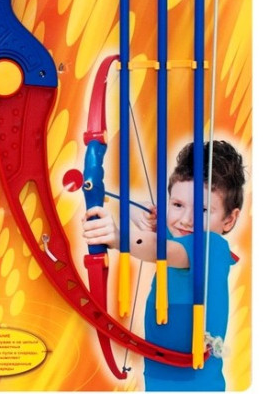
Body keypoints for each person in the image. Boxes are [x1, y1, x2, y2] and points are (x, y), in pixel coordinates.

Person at [81, 140, 246, 390]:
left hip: (198, 384)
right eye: (177, 205)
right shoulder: (174, 232)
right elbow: (129, 206)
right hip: (157, 377)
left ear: (229, 219)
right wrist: (146, 212)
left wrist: (119, 238)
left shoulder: (212, 247)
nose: (186, 220)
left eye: (203, 210)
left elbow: (161, 250)